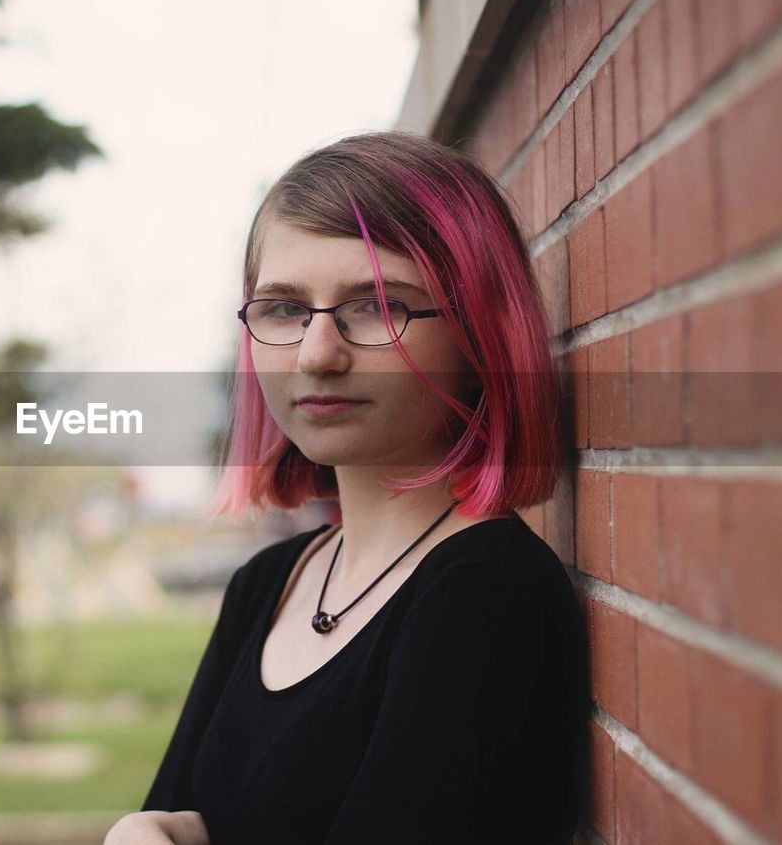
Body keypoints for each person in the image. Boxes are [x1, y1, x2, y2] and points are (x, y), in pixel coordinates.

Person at [104, 131, 589, 844]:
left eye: (377, 305)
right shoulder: (268, 583)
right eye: (283, 308)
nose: (317, 352)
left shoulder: (483, 595)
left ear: (477, 331)